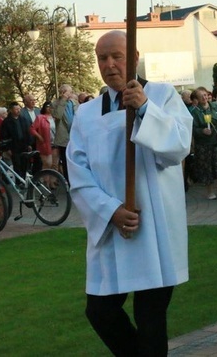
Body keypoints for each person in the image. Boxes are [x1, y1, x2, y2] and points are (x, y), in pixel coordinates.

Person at [67, 30, 192, 356]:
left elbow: (178, 148)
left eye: (116, 56)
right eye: (102, 58)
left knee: (151, 320)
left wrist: (147, 109)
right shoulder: (86, 113)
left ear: (134, 57)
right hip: (112, 229)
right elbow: (79, 175)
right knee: (100, 311)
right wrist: (111, 211)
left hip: (154, 228)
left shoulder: (163, 96)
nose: (109, 64)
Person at [190, 86, 217, 200]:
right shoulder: (195, 111)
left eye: (205, 95)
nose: (204, 97)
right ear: (197, 99)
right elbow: (192, 128)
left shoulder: (214, 107)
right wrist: (201, 131)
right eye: (201, 96)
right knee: (206, 167)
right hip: (203, 144)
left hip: (216, 141)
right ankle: (210, 191)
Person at [52, 83, 78, 182]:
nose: (71, 94)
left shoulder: (74, 102)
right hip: (64, 139)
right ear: (63, 92)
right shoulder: (55, 104)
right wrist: (63, 100)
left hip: (75, 136)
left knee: (76, 161)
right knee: (66, 162)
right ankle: (68, 182)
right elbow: (57, 116)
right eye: (69, 92)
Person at [0, 101, 34, 177]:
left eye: (19, 109)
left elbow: (27, 132)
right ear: (11, 110)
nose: (18, 111)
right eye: (16, 109)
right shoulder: (7, 122)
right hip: (14, 147)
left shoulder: (23, 120)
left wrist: (29, 144)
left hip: (23, 145)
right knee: (17, 165)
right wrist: (7, 148)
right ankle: (18, 182)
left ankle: (24, 180)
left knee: (24, 164)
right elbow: (4, 136)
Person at [30, 101, 55, 169]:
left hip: (55, 144)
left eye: (51, 107)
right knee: (47, 164)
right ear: (44, 108)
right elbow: (32, 129)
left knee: (54, 165)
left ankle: (53, 179)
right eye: (47, 106)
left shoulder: (55, 118)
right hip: (45, 144)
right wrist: (39, 136)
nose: (49, 108)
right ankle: (45, 179)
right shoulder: (40, 118)